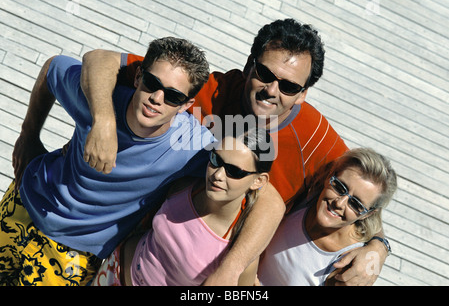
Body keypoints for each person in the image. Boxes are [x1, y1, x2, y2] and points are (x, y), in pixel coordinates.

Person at [79, 19, 390, 285]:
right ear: (248, 65)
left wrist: (378, 247)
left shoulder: (315, 137)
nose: (272, 90)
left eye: (289, 87)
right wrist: (103, 120)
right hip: (142, 254)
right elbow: (100, 59)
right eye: (265, 74)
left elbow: (360, 192)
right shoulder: (213, 91)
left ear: (303, 94)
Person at [0, 37, 215, 286]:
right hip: (24, 203)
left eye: (173, 96)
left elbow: (251, 176)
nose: (157, 97)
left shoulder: (192, 145)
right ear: (138, 77)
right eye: (152, 82)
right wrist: (29, 135)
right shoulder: (99, 99)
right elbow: (53, 68)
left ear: (186, 105)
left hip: (73, 254)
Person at [92, 128, 274, 286]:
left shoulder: (240, 250)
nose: (218, 174)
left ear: (258, 181)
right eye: (216, 160)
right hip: (113, 270)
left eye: (234, 171)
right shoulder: (185, 187)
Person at [257, 148, 397, 285]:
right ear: (330, 176)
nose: (340, 203)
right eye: (340, 187)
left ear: (367, 214)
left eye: (355, 204)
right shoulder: (307, 195)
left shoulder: (348, 264)